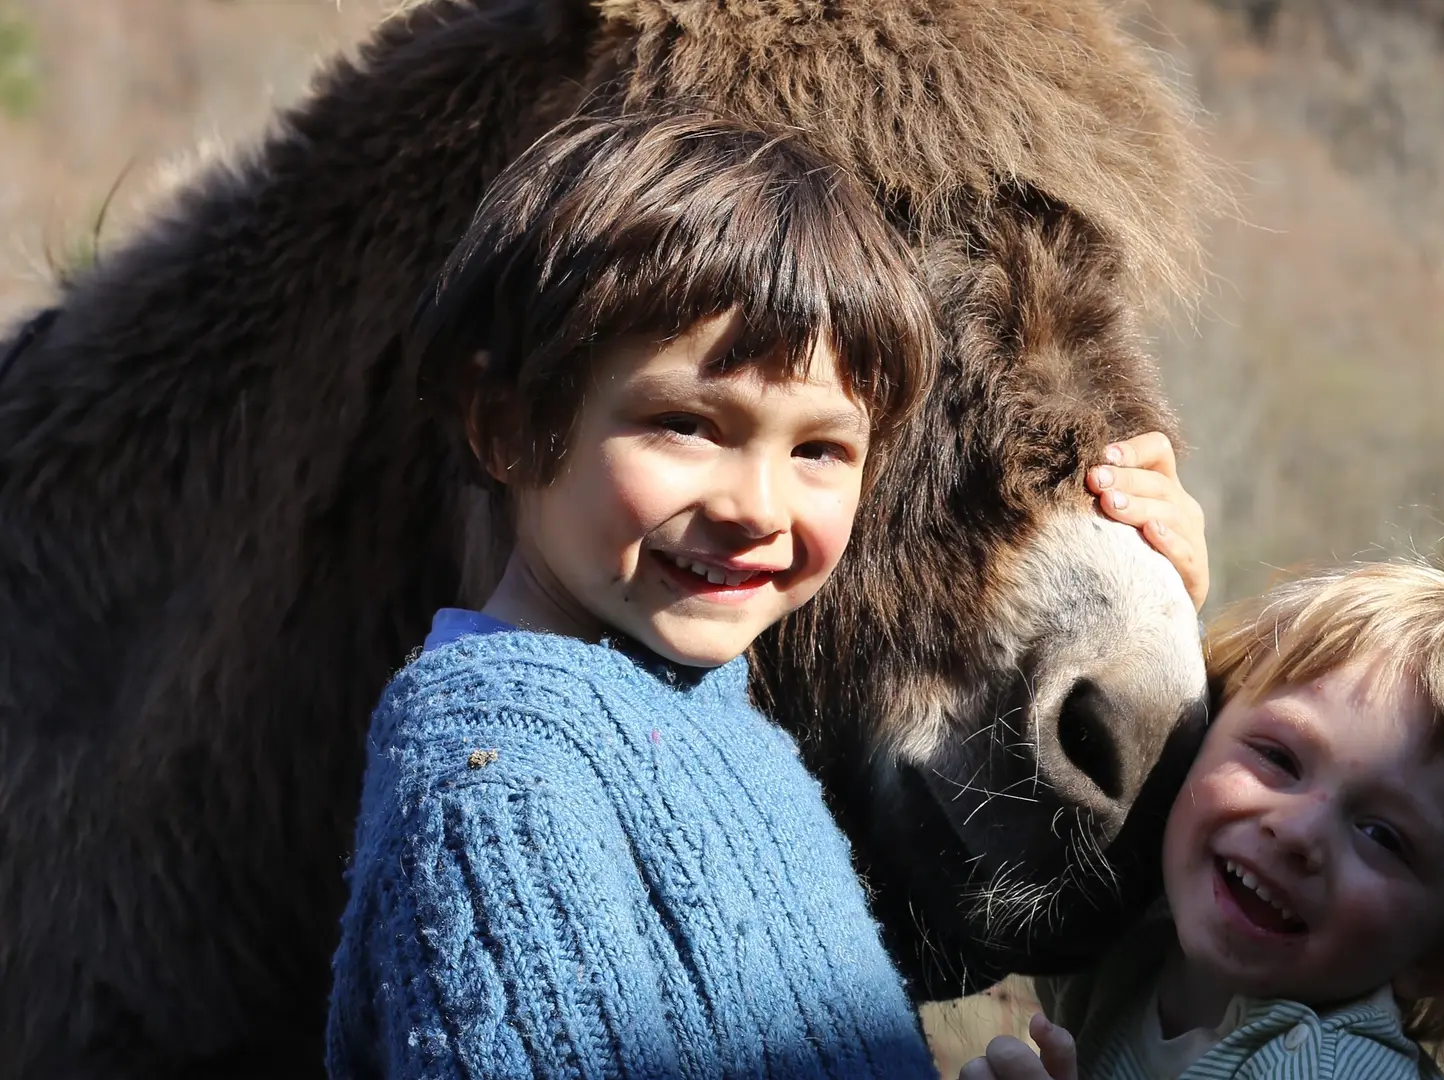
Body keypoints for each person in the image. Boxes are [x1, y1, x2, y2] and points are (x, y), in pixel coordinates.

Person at [324, 110, 1211, 1080]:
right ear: (505, 428)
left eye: (821, 449)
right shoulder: (500, 797)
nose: (757, 506)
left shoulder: (712, 716)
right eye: (686, 425)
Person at [963, 557, 1444, 1080]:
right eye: (1278, 758)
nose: (1299, 831)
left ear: (1443, 953)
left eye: (1384, 836)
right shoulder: (1133, 942)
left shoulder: (1331, 1065)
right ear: (1203, 723)